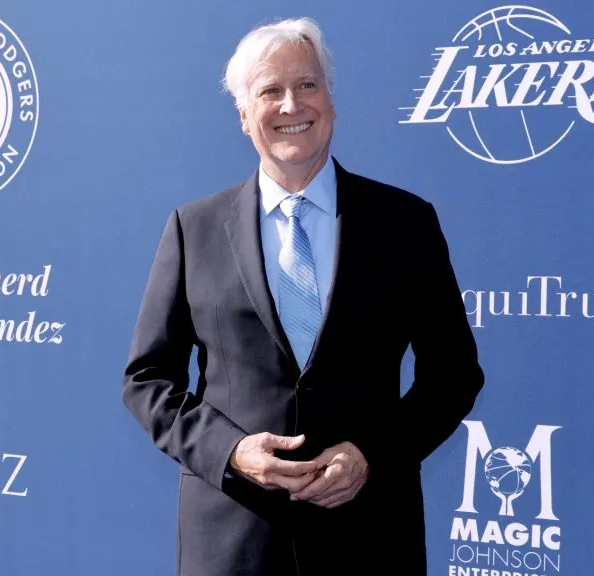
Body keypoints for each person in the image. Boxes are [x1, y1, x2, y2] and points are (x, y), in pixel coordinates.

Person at [122, 16, 484, 576]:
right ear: (244, 117)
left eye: (307, 85)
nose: (292, 105)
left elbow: (453, 375)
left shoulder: (405, 223)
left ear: (331, 101)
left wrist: (372, 454)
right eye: (270, 90)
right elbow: (148, 381)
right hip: (232, 543)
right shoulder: (192, 229)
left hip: (369, 539)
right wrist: (232, 453)